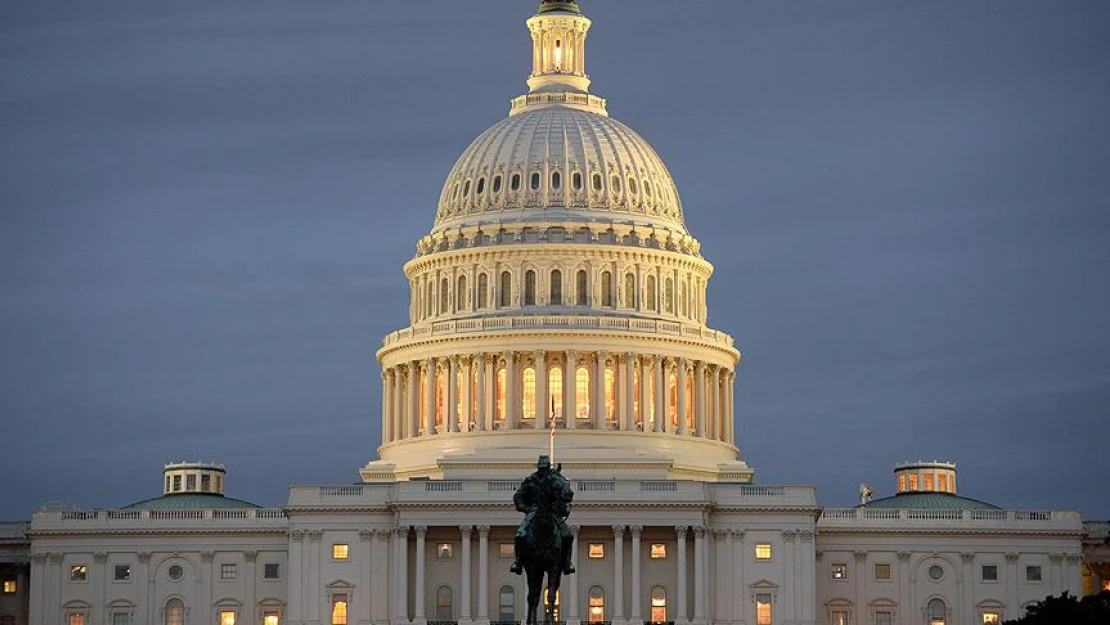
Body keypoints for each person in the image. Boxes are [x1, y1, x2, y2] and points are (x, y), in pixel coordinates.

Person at [511, 455, 575, 575]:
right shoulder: (531, 480)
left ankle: (567, 563)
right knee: (520, 534)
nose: (543, 471)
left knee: (567, 535)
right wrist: (525, 508)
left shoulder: (553, 479)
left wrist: (561, 504)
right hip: (534, 511)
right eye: (541, 469)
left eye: (544, 468)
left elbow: (565, 492)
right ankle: (518, 562)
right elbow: (518, 496)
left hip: (551, 512)